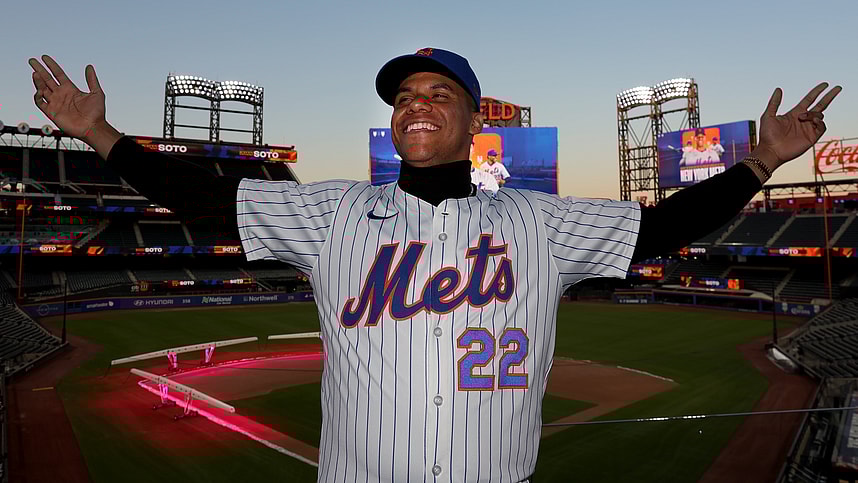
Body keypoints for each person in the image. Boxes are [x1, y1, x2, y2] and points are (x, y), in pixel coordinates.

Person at [28, 48, 840, 482]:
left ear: (473, 125)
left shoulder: (538, 220)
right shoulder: (332, 211)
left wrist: (757, 163)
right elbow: (206, 198)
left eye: (438, 93)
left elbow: (661, 230)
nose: (416, 103)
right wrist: (105, 138)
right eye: (403, 95)